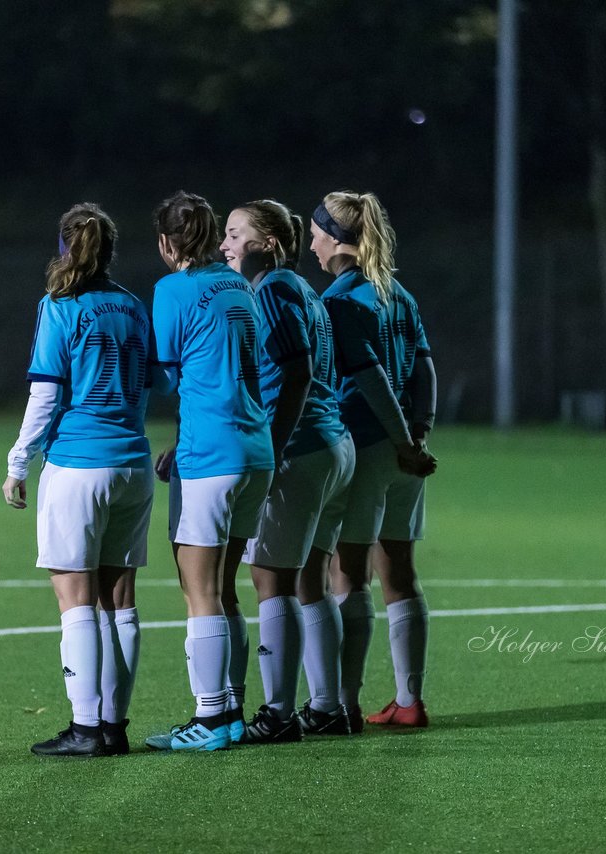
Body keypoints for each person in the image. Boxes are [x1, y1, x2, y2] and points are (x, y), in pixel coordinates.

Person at [2, 203, 152, 757]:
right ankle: (114, 726)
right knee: (121, 600)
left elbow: (46, 394)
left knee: (76, 599)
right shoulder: (136, 307)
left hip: (78, 466)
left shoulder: (59, 305)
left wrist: (19, 462)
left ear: (65, 248)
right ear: (111, 252)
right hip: (133, 464)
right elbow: (153, 381)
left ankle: (86, 728)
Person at [217, 200, 357, 742]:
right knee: (309, 581)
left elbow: (295, 373)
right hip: (332, 444)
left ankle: (277, 714)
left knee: (269, 581)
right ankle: (327, 707)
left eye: (235, 234)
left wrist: (272, 450)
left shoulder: (273, 289)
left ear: (269, 244)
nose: (224, 244)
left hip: (300, 450)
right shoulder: (304, 292)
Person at [144, 191, 274, 752]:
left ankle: (211, 719)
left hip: (210, 456)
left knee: (198, 592)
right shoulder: (239, 284)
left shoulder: (172, 289)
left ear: (167, 242)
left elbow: (170, 373)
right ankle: (235, 709)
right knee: (226, 589)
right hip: (256, 449)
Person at [311, 190, 438, 729]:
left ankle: (343, 703)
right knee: (401, 574)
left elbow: (371, 378)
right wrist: (418, 435)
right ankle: (408, 701)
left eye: (316, 234)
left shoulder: (340, 301)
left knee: (350, 575)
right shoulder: (398, 294)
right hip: (405, 452)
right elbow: (426, 371)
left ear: (337, 241)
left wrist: (400, 439)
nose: (310, 244)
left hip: (367, 446)